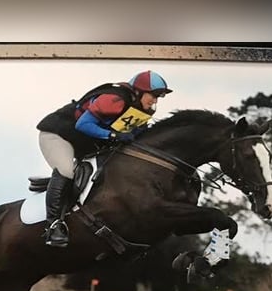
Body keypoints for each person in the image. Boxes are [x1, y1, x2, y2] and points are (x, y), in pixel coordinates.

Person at [36, 70, 173, 247]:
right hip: (58, 135)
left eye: (158, 97)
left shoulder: (140, 111)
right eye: (153, 96)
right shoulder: (115, 99)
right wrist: (113, 136)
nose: (154, 101)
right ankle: (54, 226)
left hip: (83, 144)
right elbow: (83, 124)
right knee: (66, 171)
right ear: (138, 91)